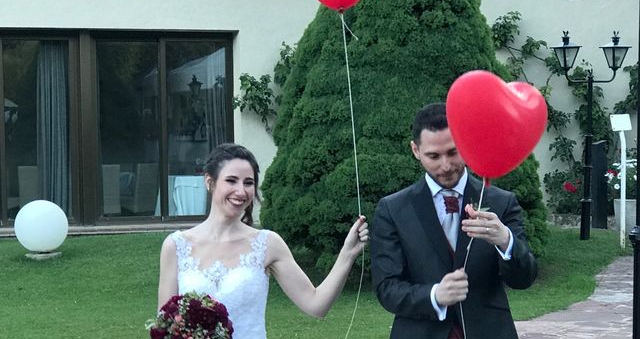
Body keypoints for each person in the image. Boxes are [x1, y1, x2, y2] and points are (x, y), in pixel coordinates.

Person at [157, 143, 368, 339]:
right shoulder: (176, 246)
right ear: (209, 182)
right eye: (231, 180)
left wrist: (347, 254)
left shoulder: (268, 244)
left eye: (248, 183)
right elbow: (165, 325)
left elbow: (316, 304)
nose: (241, 191)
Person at [370, 103, 537, 339]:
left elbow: (524, 279)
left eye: (452, 152)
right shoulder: (393, 209)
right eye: (433, 156)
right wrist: (434, 295)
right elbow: (386, 288)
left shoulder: (502, 202)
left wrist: (505, 241)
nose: (446, 166)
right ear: (416, 150)